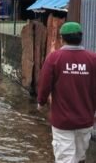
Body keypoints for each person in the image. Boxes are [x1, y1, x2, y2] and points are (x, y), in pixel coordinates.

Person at [37, 22, 96, 163]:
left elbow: (44, 84)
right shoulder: (93, 59)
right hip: (85, 119)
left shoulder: (54, 58)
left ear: (61, 38)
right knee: (80, 156)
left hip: (62, 121)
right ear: (81, 38)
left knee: (65, 159)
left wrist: (41, 102)